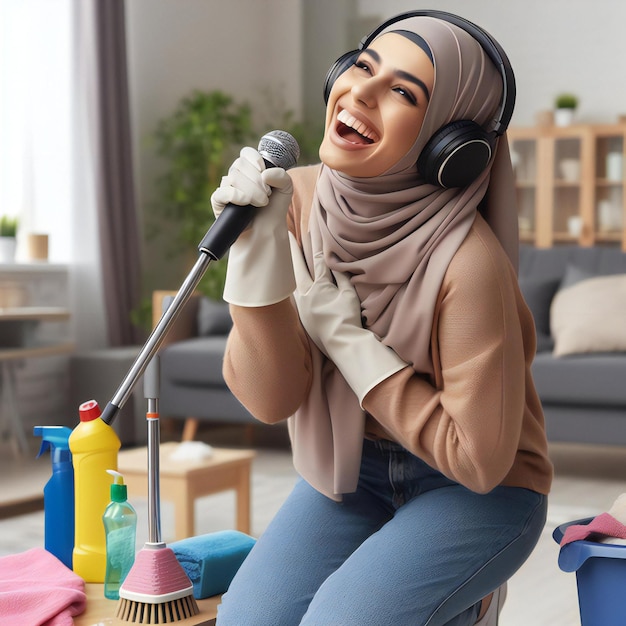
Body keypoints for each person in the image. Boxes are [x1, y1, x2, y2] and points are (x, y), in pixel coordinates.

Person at [211, 10, 553, 626]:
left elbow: (479, 460)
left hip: (480, 490)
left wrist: (347, 339)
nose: (361, 91)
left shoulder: (469, 264)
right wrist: (253, 259)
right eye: (362, 67)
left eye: (401, 91)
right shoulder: (297, 198)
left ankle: (465, 604)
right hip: (352, 470)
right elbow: (271, 398)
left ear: (452, 148)